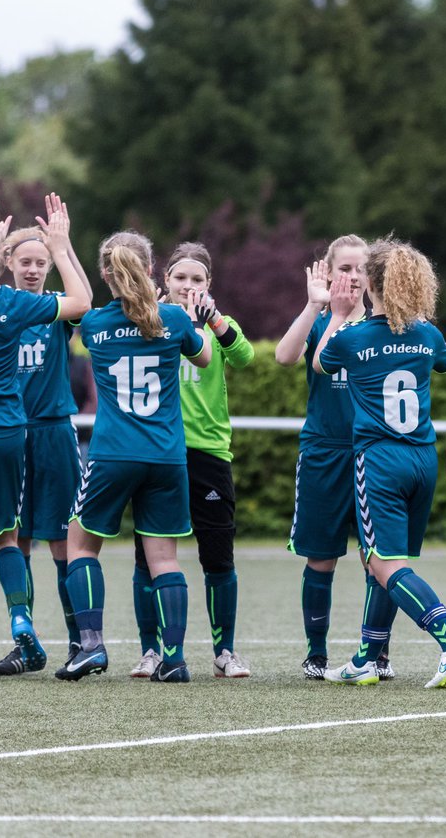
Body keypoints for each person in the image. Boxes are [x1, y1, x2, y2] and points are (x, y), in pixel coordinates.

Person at [313, 238, 446, 688]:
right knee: (385, 562)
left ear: (371, 282)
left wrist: (340, 314)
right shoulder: (427, 332)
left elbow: (319, 363)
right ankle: (367, 658)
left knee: (384, 565)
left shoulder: (353, 337)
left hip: (380, 460)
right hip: (423, 459)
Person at [58, 230, 212, 682]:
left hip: (112, 453)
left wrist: (60, 248)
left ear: (107, 273)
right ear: (151, 270)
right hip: (166, 455)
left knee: (81, 545)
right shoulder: (173, 319)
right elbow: (202, 358)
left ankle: (91, 646)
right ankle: (175, 659)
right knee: (165, 560)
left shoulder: (95, 324)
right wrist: (189, 319)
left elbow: (76, 304)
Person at [0, 202, 90, 675]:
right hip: (4, 435)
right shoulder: (8, 304)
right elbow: (81, 301)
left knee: (47, 540)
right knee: (7, 536)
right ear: (1, 260)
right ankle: (21, 624)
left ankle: (73, 640)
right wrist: (60, 243)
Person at [274, 235, 398, 682]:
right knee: (320, 557)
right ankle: (317, 652)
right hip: (324, 451)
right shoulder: (320, 318)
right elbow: (286, 357)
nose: (352, 276)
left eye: (360, 268)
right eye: (343, 268)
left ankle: (376, 653)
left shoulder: (385, 324)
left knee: (379, 559)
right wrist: (316, 308)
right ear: (326, 272)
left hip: (375, 453)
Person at [129, 243, 254, 679]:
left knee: (218, 557)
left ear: (209, 285)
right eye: (180, 277)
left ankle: (225, 652)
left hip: (209, 454)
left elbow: (244, 357)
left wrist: (215, 320)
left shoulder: (221, 326)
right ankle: (151, 650)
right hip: (158, 452)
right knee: (149, 559)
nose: (188, 285)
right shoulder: (151, 321)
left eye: (197, 279)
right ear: (165, 281)